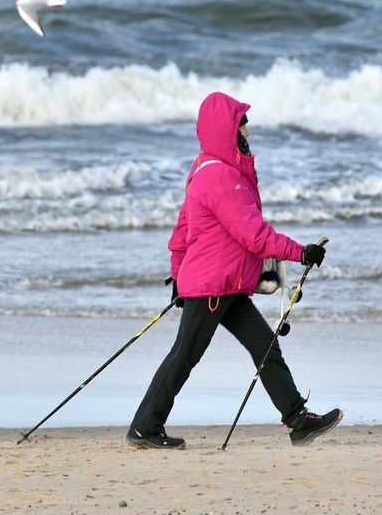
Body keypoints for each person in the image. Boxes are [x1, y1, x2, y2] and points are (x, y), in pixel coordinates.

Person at [127, 91, 342, 449]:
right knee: (184, 357)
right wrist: (300, 253)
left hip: (227, 285)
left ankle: (297, 419)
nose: (248, 131)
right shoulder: (222, 178)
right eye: (242, 124)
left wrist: (178, 274)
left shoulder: (205, 168)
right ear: (227, 130)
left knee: (265, 346)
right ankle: (145, 426)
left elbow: (183, 229)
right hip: (212, 287)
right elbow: (256, 236)